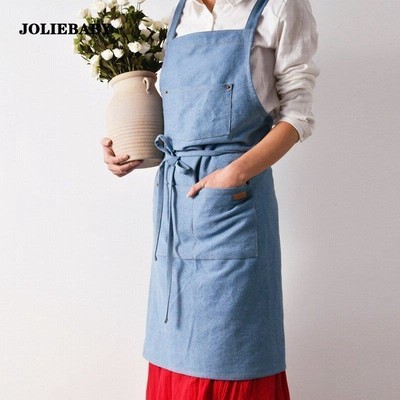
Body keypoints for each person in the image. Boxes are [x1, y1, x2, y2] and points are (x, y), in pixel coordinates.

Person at [102, 0, 318, 398]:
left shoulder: (279, 6)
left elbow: (297, 116)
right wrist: (130, 146)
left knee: (233, 349)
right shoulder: (178, 13)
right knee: (174, 345)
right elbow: (185, 121)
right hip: (176, 208)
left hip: (235, 205)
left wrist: (234, 173)